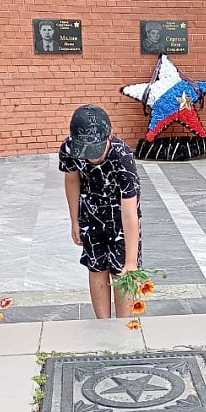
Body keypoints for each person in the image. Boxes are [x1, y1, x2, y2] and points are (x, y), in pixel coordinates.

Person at [58, 104, 142, 319]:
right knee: (96, 267)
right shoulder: (69, 149)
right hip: (90, 213)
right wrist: (75, 220)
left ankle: (123, 326)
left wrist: (131, 262)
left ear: (109, 135)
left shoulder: (122, 156)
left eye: (95, 149)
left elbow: (130, 211)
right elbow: (72, 180)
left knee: (122, 273)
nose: (90, 157)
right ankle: (103, 326)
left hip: (119, 215)